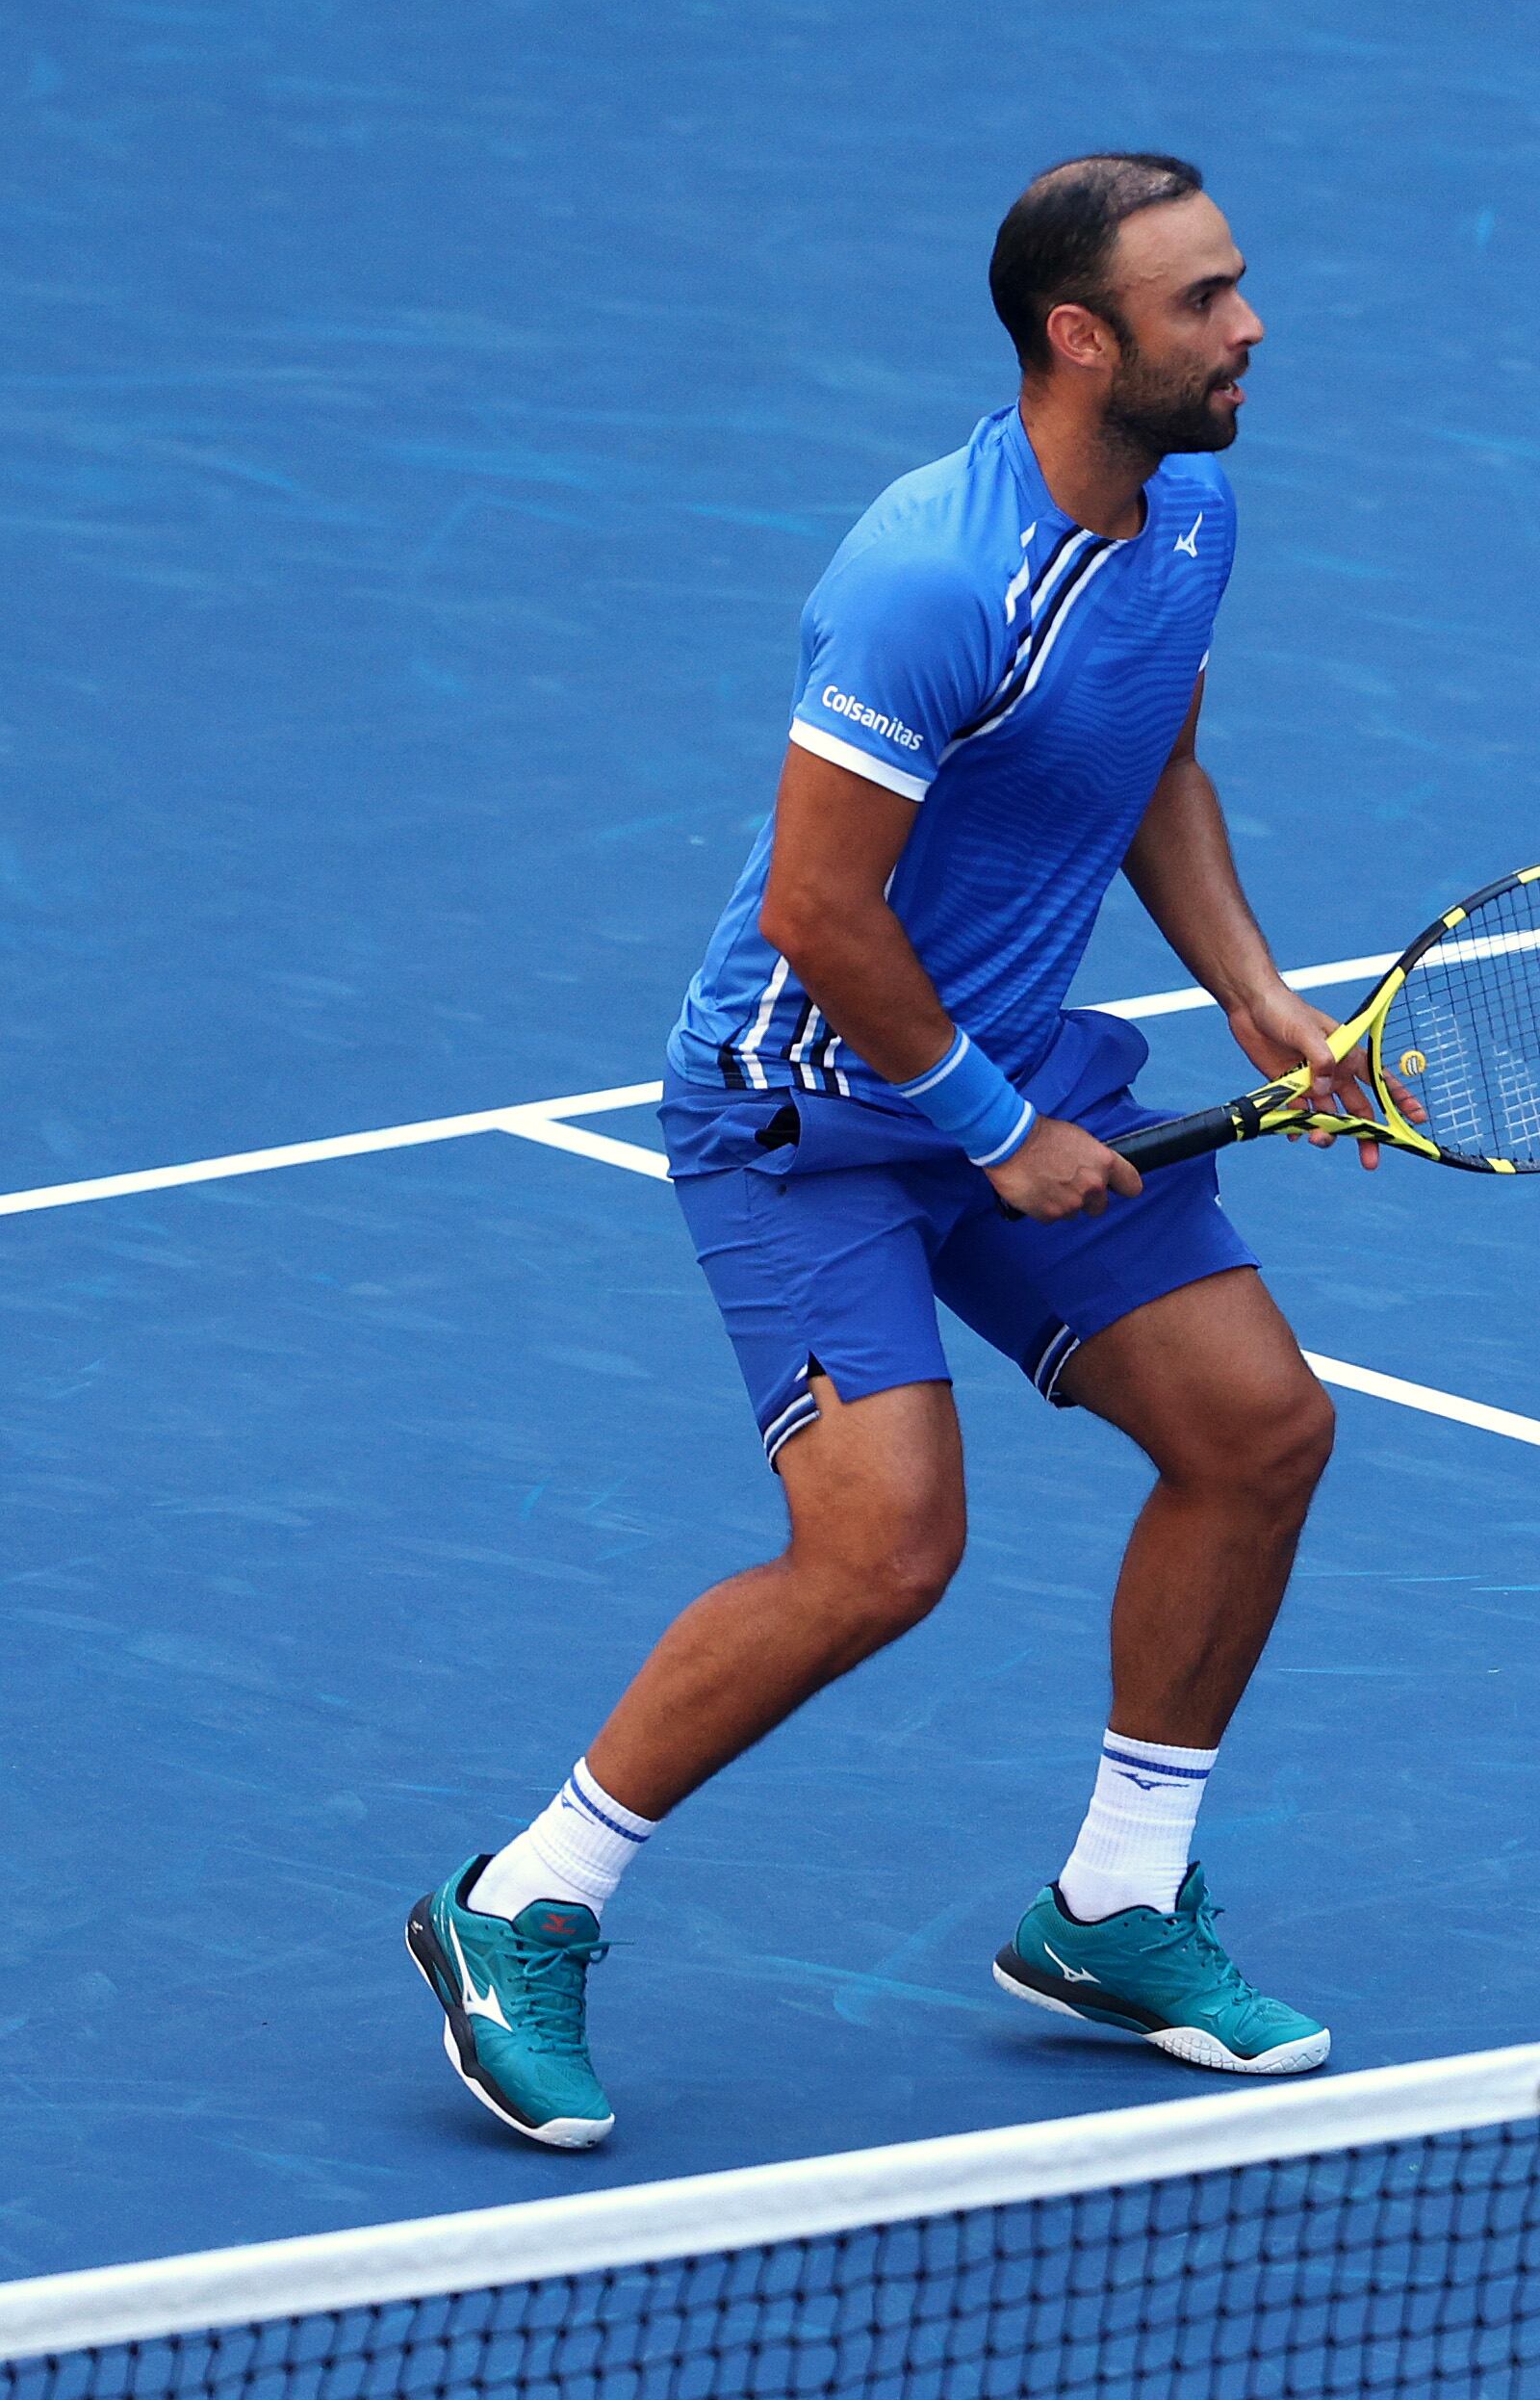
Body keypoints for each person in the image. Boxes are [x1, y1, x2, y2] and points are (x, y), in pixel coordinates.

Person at [406, 154, 1375, 2149]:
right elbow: (817, 915)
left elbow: (1153, 767)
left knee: (1260, 1430)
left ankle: (1114, 1904)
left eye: (1241, 286)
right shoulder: (931, 578)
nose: (1249, 325)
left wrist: (1261, 997)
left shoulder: (1186, 508)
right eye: (1203, 300)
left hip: (1006, 1067)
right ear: (1078, 338)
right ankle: (520, 1900)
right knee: (880, 1549)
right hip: (810, 1114)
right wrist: (993, 1134)